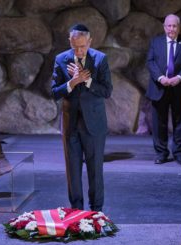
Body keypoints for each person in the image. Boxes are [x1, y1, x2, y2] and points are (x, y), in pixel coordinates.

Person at [51, 24, 113, 211]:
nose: (78, 51)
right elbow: (54, 92)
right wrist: (72, 82)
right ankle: (76, 211)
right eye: (75, 46)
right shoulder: (61, 59)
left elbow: (107, 91)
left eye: (82, 46)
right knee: (73, 171)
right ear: (70, 41)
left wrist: (87, 81)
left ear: (90, 42)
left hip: (94, 125)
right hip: (71, 125)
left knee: (95, 170)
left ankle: (96, 211)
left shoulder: (100, 59)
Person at [146, 14, 181, 165]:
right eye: (169, 26)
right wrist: (161, 78)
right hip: (159, 87)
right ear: (164, 27)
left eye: (174, 26)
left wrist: (179, 77)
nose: (171, 29)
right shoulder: (155, 42)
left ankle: (179, 153)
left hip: (179, 87)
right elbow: (150, 62)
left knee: (180, 122)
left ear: (179, 27)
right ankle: (161, 153)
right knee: (159, 123)